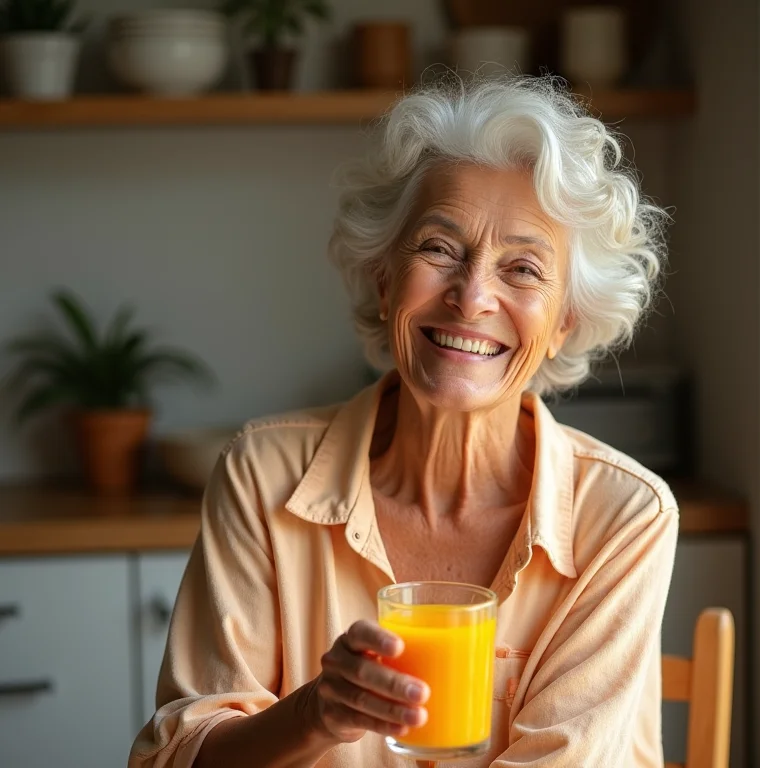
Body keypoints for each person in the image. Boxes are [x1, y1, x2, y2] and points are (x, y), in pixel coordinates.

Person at [129, 76, 678, 768]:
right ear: (385, 279)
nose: (471, 296)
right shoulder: (264, 474)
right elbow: (176, 759)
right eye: (439, 248)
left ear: (565, 322)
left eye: (523, 269)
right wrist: (313, 713)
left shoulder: (623, 517)